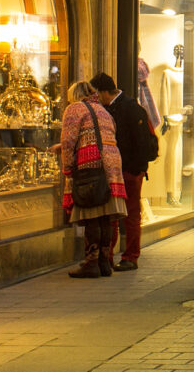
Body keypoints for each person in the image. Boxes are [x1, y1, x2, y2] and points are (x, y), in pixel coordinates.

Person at [57, 80, 128, 279]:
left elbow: (69, 139)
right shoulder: (102, 110)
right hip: (112, 164)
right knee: (105, 215)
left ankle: (91, 262)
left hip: (91, 164)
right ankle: (104, 261)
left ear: (74, 95)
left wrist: (68, 167)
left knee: (92, 214)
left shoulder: (75, 109)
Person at [89, 72, 158, 271]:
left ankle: (130, 257)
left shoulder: (130, 108)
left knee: (130, 214)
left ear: (103, 92)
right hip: (117, 170)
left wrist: (136, 169)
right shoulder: (113, 107)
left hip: (128, 170)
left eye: (96, 94)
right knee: (114, 214)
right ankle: (109, 256)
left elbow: (142, 142)